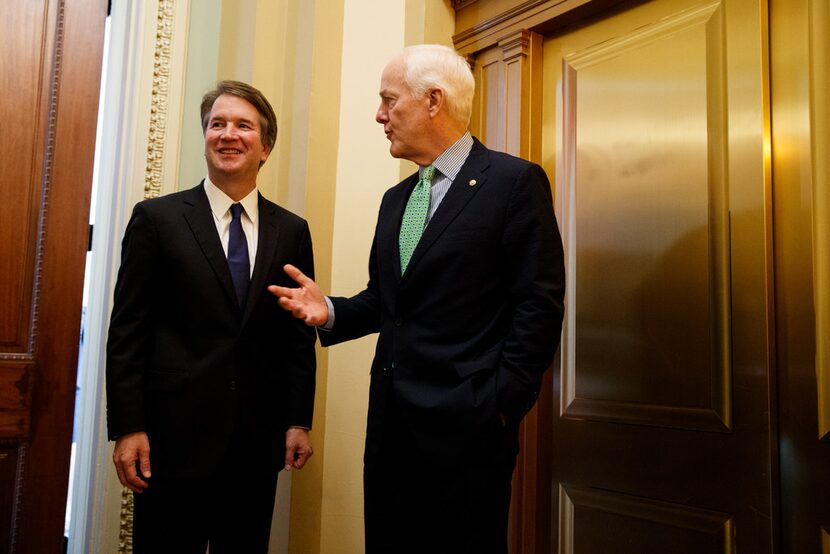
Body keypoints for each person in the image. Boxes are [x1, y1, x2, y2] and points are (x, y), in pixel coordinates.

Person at [269, 45, 565, 553]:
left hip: (469, 427)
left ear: (432, 100)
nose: (380, 115)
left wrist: (499, 403)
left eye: (389, 101)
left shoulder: (514, 183)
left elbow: (539, 303)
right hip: (391, 426)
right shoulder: (397, 200)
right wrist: (331, 311)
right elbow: (389, 303)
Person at [106, 80, 317, 554]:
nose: (227, 134)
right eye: (216, 124)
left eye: (243, 125)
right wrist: (128, 426)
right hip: (170, 442)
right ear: (204, 138)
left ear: (265, 147)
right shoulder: (156, 220)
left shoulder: (292, 230)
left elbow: (297, 339)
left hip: (256, 445)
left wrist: (297, 420)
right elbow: (127, 333)